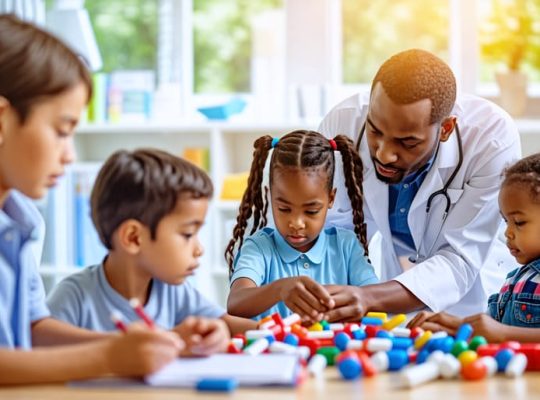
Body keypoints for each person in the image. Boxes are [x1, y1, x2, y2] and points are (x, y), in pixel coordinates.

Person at [0, 14, 183, 385]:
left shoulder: (20, 223)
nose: (69, 155)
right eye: (61, 131)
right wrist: (109, 356)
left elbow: (34, 330)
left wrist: (154, 345)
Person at [318, 49, 521, 321]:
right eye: (375, 131)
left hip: (473, 310)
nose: (383, 154)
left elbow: (459, 258)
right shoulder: (344, 123)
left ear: (446, 128)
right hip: (385, 301)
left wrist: (367, 297)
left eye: (407, 142)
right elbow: (331, 233)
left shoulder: (491, 138)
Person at [47, 149, 256, 355]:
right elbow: (41, 350)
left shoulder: (173, 291)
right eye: (187, 234)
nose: (199, 249)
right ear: (133, 238)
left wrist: (221, 332)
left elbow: (225, 323)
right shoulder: (72, 297)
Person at [225, 130, 378, 322]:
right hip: (274, 352)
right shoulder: (259, 248)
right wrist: (280, 289)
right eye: (284, 208)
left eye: (311, 211)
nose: (296, 223)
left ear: (331, 198)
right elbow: (236, 303)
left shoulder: (345, 246)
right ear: (269, 195)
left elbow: (374, 299)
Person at [408, 154, 540, 343]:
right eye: (505, 221)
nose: (507, 233)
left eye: (519, 222)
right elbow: (492, 333)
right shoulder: (514, 279)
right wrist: (456, 326)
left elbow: (501, 334)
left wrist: (504, 335)